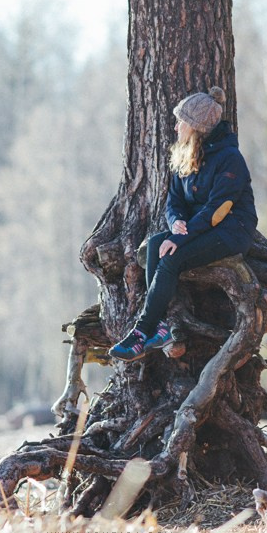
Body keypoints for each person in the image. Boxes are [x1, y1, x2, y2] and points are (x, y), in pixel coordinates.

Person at [109, 86, 258, 362]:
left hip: (230, 230)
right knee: (155, 245)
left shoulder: (230, 159)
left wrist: (178, 238)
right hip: (198, 226)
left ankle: (142, 332)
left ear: (196, 127)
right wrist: (176, 222)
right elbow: (174, 200)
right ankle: (162, 325)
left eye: (181, 122)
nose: (176, 127)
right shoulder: (185, 154)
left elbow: (217, 211)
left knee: (171, 255)